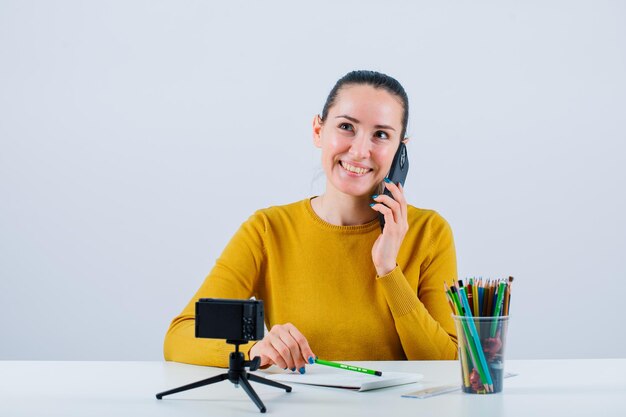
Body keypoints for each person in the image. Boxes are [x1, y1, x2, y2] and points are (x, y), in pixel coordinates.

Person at [163, 70, 458, 372]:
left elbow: (447, 363)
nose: (359, 151)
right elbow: (180, 337)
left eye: (381, 135)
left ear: (400, 150)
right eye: (346, 127)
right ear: (318, 130)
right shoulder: (268, 229)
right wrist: (256, 350)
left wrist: (388, 270)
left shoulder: (429, 232)